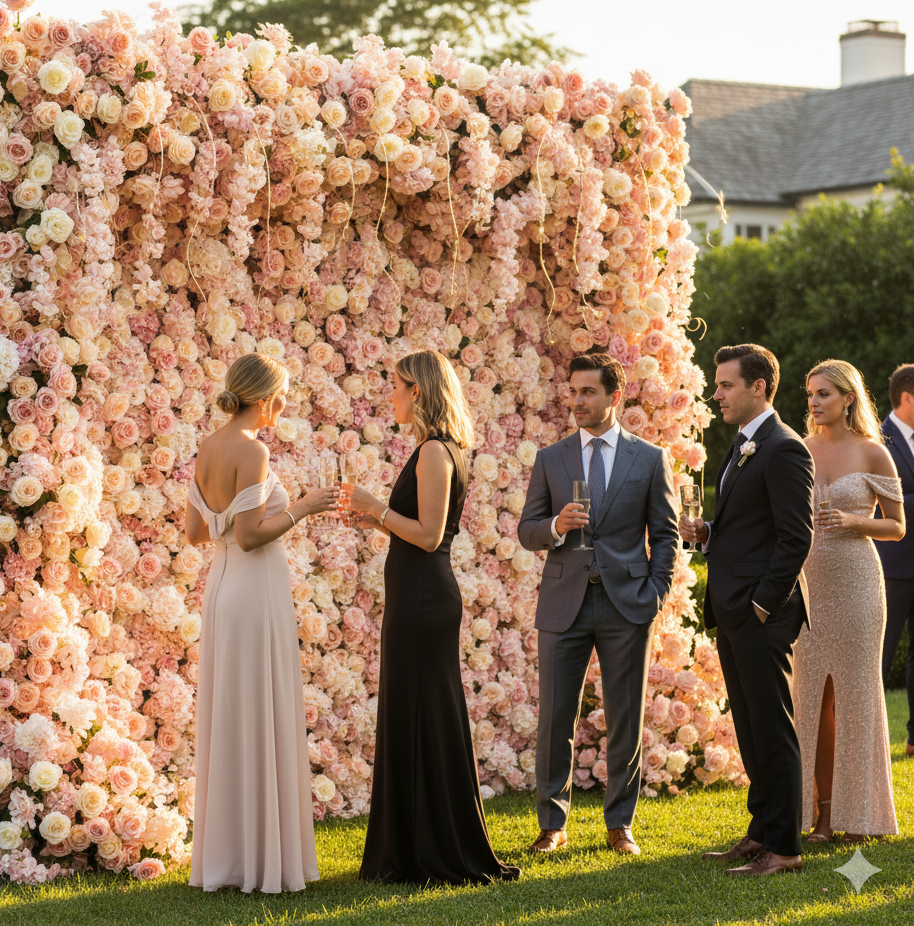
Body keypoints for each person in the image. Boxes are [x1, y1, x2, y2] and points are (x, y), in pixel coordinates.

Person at [346, 350, 520, 885]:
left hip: (423, 600)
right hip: (415, 594)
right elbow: (418, 531)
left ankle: (431, 849)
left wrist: (375, 506)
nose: (390, 396)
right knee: (412, 714)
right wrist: (372, 519)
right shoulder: (432, 449)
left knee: (423, 715)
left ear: (417, 391)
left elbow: (427, 535)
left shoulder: (434, 452)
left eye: (396, 386)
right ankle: (414, 846)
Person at [185, 353, 338, 893]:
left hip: (221, 590)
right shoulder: (253, 450)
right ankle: (258, 862)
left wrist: (225, 516)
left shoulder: (207, 446)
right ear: (265, 398)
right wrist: (305, 507)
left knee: (232, 715)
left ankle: (230, 857)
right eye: (284, 395)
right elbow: (251, 536)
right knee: (256, 713)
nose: (286, 405)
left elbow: (196, 535)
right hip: (253, 592)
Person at [517, 354, 678, 856]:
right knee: (555, 719)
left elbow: (667, 535)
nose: (578, 402)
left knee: (625, 716)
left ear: (615, 396)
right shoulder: (551, 458)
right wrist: (555, 527)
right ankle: (552, 824)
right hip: (563, 602)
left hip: (628, 604)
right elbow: (527, 530)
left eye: (588, 392)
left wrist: (655, 592)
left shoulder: (649, 459)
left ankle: (619, 825)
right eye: (573, 392)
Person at [680, 344, 814, 877]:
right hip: (733, 608)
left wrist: (761, 606)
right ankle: (761, 832)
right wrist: (710, 531)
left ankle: (785, 849)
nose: (716, 394)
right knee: (752, 729)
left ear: (759, 386)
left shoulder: (784, 448)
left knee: (773, 729)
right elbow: (750, 526)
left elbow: (795, 537)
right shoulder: (743, 445)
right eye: (717, 385)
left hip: (760, 611)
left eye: (726, 385)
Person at [795, 360, 905, 844]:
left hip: (858, 584)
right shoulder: (798, 450)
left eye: (823, 394)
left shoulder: (873, 453)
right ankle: (820, 816)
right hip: (806, 586)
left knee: (857, 700)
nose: (815, 402)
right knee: (811, 702)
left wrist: (856, 521)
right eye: (810, 395)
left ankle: (860, 816)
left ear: (847, 398)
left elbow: (897, 526)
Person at [876, 363, 914, 759]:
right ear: (906, 397)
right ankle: (873, 744)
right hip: (890, 566)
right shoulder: (877, 438)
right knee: (880, 657)